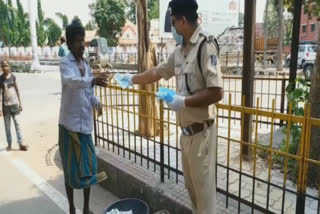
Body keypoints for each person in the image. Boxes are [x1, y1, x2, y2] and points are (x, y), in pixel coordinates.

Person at [116, 0, 223, 213]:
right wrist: (131, 78)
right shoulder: (180, 50)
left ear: (184, 20)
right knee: (192, 193)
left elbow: (217, 92)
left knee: (205, 200)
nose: (172, 27)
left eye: (173, 22)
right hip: (186, 135)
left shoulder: (205, 46)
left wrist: (183, 102)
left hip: (202, 135)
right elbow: (158, 71)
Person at [59, 20, 109, 214]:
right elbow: (72, 83)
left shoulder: (86, 65)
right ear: (70, 43)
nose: (82, 45)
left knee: (88, 169)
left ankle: (86, 208)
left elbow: (87, 92)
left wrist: (96, 102)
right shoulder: (65, 63)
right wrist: (92, 80)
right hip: (69, 125)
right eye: (78, 41)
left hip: (85, 126)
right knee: (70, 170)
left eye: (83, 40)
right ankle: (72, 207)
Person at [0, 60, 28, 151]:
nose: (4, 68)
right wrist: (0, 109)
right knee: (7, 126)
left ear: (9, 66)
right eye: (3, 66)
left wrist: (20, 103)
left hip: (14, 104)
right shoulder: (0, 79)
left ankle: (21, 143)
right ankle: (9, 144)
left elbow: (17, 90)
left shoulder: (13, 77)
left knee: (17, 124)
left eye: (6, 66)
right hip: (5, 106)